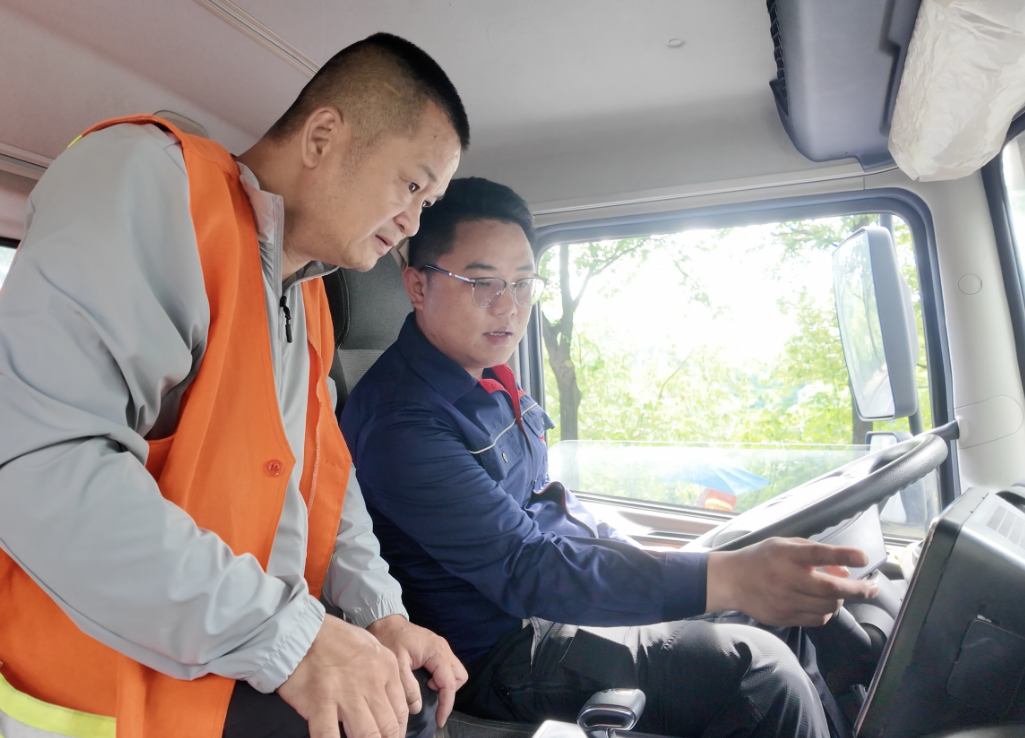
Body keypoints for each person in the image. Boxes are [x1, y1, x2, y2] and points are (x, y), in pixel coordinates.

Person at [0, 34, 470, 738]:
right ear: (322, 137)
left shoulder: (304, 298)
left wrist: (381, 614)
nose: (413, 223)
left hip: (158, 663)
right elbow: (44, 468)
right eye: (412, 186)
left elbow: (321, 487)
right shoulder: (146, 181)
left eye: (429, 201)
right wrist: (292, 639)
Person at [340, 178, 880, 738]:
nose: (508, 307)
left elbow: (543, 500)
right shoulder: (401, 423)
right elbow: (526, 568)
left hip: (555, 595)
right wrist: (728, 577)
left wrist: (645, 554)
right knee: (757, 672)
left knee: (783, 615)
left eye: (523, 284)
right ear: (418, 286)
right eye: (482, 283)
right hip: (502, 647)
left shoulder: (489, 374)